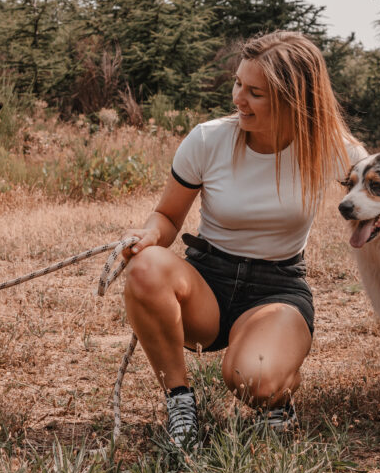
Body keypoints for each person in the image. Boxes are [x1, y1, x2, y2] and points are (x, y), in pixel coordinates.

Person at [121, 31, 366, 446]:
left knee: (254, 379)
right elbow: (166, 216)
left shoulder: (335, 150)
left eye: (255, 92)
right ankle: (181, 404)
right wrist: (148, 235)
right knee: (145, 266)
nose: (238, 98)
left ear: (295, 100)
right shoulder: (207, 139)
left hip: (278, 290)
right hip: (207, 285)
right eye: (238, 83)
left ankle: (277, 389)